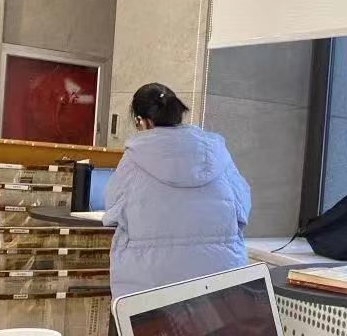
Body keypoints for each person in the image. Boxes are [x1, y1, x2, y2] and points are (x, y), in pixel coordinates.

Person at [105, 83, 251, 297]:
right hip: (220, 284)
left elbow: (112, 212)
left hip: (151, 286)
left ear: (143, 121)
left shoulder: (134, 157)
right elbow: (243, 210)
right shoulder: (218, 152)